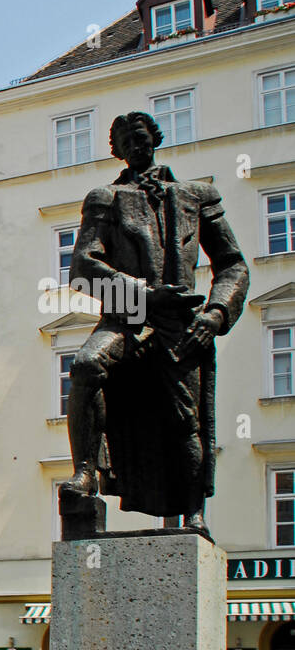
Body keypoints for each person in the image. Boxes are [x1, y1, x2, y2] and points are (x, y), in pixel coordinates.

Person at [63, 112, 249, 529]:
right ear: (117, 150)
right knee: (87, 365)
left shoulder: (197, 195)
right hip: (128, 316)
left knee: (186, 420)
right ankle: (86, 472)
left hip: (182, 324)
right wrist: (144, 294)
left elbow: (233, 265)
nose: (134, 144)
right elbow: (82, 267)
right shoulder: (104, 198)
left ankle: (194, 509)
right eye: (124, 140)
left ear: (155, 139)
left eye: (140, 136)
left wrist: (216, 314)